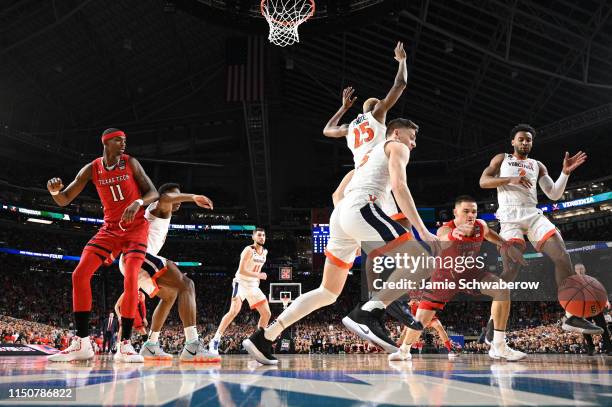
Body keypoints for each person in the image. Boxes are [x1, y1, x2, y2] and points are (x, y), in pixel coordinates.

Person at [243, 118, 439, 364]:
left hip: (341, 215)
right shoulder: (395, 146)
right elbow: (400, 187)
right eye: (412, 137)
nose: (414, 143)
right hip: (362, 207)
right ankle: (368, 312)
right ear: (396, 133)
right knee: (424, 261)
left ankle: (264, 336)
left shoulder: (362, 163)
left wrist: (353, 232)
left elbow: (337, 195)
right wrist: (423, 231)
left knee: (327, 292)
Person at [323, 42, 421, 338]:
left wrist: (342, 108)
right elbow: (400, 84)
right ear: (376, 110)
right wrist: (401, 60)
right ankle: (387, 301)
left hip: (363, 174)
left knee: (379, 247)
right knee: (410, 243)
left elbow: (327, 130)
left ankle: (389, 299)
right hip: (376, 180)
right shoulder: (379, 117)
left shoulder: (350, 128)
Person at [47, 128, 159, 363]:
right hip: (109, 229)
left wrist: (137, 202)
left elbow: (153, 192)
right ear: (107, 143)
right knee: (79, 274)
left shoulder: (131, 163)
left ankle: (125, 344)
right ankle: (82, 342)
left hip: (136, 229)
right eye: (119, 140)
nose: (124, 143)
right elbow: (64, 199)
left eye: (125, 140)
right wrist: (55, 192)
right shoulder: (92, 168)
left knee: (131, 279)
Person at [479, 123, 602, 336]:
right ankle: (493, 320)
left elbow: (553, 194)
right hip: (509, 218)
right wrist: (511, 179)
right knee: (511, 269)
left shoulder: (538, 165)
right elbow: (483, 181)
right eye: (521, 139)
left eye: (529, 140)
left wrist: (564, 173)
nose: (525, 142)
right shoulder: (502, 159)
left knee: (563, 256)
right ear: (513, 142)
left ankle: (571, 315)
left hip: (533, 214)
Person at [389, 195, 527, 362]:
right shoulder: (445, 229)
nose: (471, 215)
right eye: (466, 211)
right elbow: (442, 239)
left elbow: (490, 234)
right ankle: (404, 350)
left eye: (474, 212)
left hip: (470, 274)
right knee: (420, 320)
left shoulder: (480, 226)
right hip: (444, 278)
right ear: (455, 212)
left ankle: (499, 345)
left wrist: (506, 246)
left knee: (502, 289)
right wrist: (454, 234)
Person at [119, 182, 218, 362]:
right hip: (137, 256)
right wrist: (193, 197)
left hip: (133, 260)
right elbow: (165, 198)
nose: (177, 200)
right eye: (176, 196)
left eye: (179, 196)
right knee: (187, 285)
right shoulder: (160, 207)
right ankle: (192, 345)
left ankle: (151, 345)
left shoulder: (161, 213)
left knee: (169, 296)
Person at [209, 228, 271, 357]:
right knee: (234, 311)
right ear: (253, 237)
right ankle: (215, 340)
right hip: (241, 283)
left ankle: (257, 343)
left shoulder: (265, 252)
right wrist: (259, 275)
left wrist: (256, 278)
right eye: (259, 235)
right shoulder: (248, 250)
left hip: (253, 285)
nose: (262, 237)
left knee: (266, 313)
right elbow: (242, 270)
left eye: (264, 235)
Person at [574, 263, 611, 355]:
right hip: (583, 309)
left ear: (585, 269)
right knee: (584, 329)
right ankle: (591, 348)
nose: (580, 270)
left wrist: (606, 301)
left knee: (603, 328)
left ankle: (609, 349)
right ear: (575, 270)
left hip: (595, 307)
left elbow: (601, 291)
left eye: (581, 268)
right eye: (578, 269)